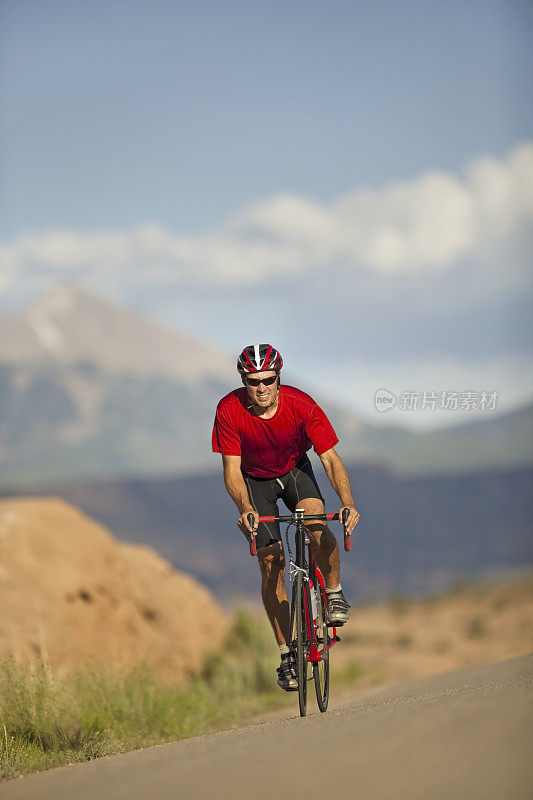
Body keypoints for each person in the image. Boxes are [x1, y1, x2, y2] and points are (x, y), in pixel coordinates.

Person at [212, 343, 360, 691]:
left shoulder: (301, 404)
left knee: (316, 525)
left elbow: (330, 460)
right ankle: (287, 655)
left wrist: (348, 502)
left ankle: (334, 591)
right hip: (254, 482)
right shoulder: (229, 410)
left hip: (295, 471)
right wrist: (246, 509)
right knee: (271, 563)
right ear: (243, 381)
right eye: (253, 381)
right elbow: (231, 472)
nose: (262, 387)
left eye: (269, 379)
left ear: (279, 377)